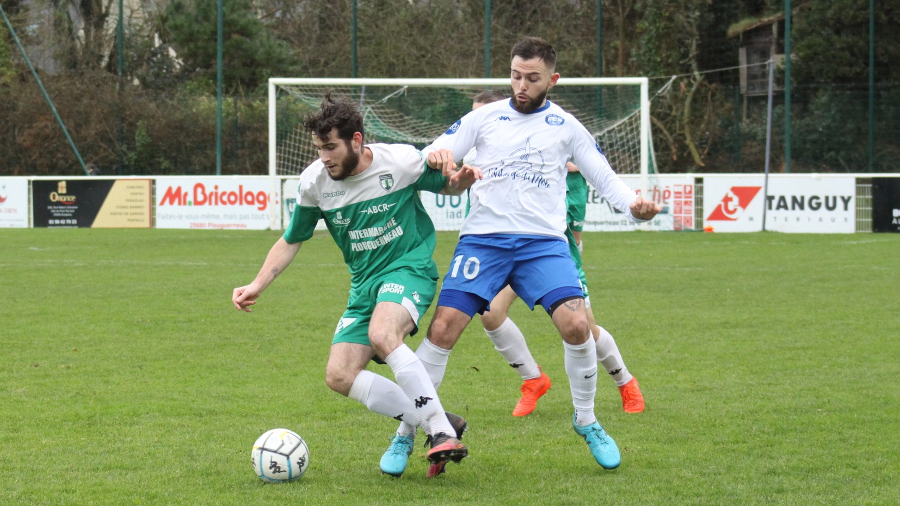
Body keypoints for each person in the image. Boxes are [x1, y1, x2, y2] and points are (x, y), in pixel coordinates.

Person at [390, 36, 661, 471]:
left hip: (542, 244)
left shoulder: (566, 126)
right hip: (483, 241)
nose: (521, 85)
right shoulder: (484, 118)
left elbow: (604, 177)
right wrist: (437, 156)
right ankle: (406, 432)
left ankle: (587, 420)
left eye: (532, 78)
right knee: (442, 329)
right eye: (515, 76)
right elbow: (435, 154)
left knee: (577, 324)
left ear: (552, 79)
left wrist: (634, 207)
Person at [232, 92, 481, 478]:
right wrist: (257, 283)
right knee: (339, 375)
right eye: (318, 148)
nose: (324, 157)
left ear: (357, 140)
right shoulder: (315, 182)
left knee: (383, 334)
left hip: (407, 268)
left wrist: (459, 180)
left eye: (330, 147)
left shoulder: (399, 161)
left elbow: (447, 184)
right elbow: (292, 238)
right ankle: (441, 419)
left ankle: (440, 432)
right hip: (364, 284)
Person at [464, 91, 645, 418]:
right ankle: (533, 379)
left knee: (583, 327)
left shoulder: (540, 153)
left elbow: (578, 203)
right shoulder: (474, 159)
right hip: (501, 253)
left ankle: (624, 381)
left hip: (546, 253)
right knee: (489, 312)